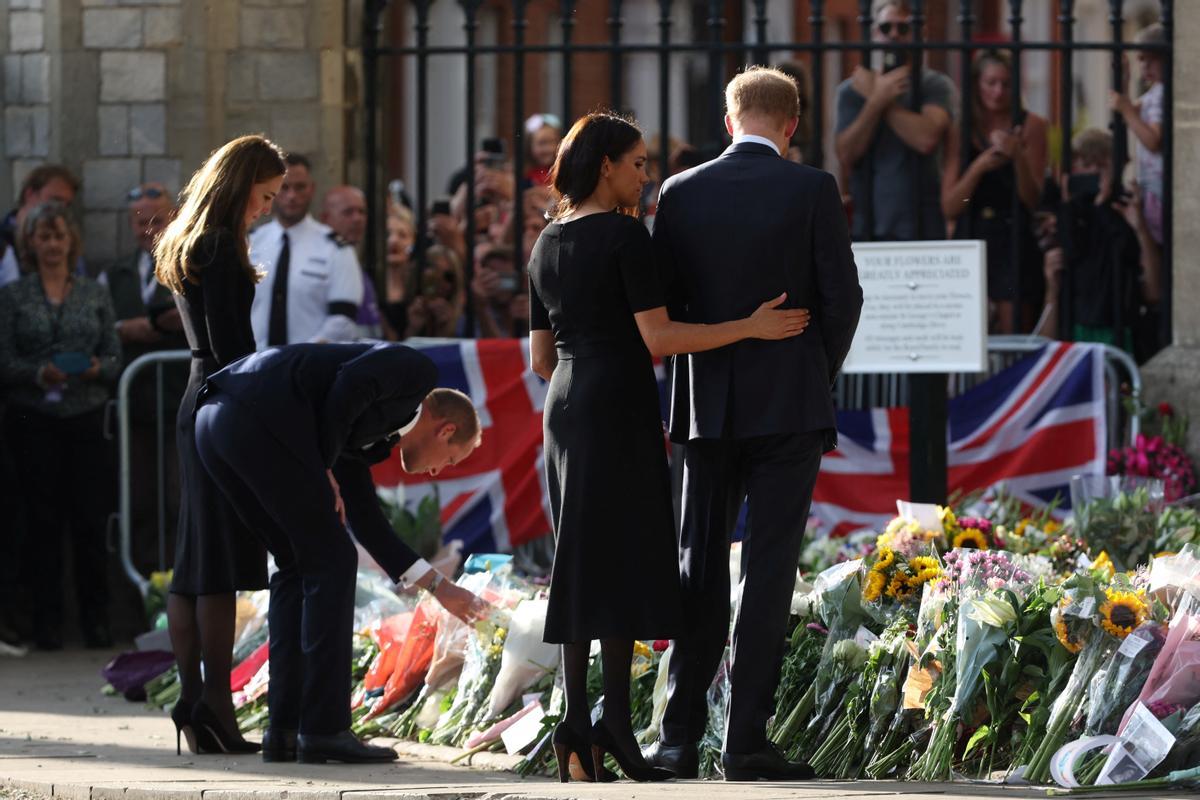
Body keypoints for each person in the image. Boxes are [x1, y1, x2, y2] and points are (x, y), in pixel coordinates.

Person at [527, 110, 813, 783]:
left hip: (565, 403)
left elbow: (541, 357)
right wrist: (750, 325)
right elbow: (660, 339)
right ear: (606, 166)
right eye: (636, 163)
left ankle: (578, 720)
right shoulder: (625, 238)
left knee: (579, 558)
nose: (644, 175)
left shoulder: (547, 241)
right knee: (622, 560)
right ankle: (618, 729)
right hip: (615, 405)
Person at [642, 67, 862, 781]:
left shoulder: (679, 191)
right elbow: (843, 297)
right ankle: (745, 742)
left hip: (704, 405)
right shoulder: (812, 189)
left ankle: (677, 737)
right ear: (792, 125)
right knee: (767, 573)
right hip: (789, 407)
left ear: (729, 120)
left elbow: (665, 303)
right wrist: (812, 369)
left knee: (695, 569)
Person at [192, 341, 490, 764]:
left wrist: (440, 589)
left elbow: (368, 523)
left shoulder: (369, 433)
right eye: (452, 458)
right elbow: (350, 382)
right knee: (332, 561)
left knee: (298, 563)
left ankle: (286, 729)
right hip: (252, 414)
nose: (439, 471)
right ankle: (325, 729)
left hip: (219, 422)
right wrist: (322, 467)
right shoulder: (414, 372)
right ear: (446, 430)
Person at [154, 134, 287, 755]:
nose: (266, 207)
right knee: (215, 568)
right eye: (265, 194)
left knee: (191, 564)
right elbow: (236, 350)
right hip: (223, 398)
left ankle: (194, 699)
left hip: (193, 394)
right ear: (241, 185)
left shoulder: (187, 240)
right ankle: (214, 705)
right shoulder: (222, 250)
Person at [0, 201, 122, 650]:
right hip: (34, 420)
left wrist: (94, 369)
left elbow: (114, 356)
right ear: (31, 243)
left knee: (90, 521)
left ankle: (98, 620)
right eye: (43, 237)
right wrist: (37, 374)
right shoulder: (13, 295)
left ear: (72, 242)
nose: (52, 245)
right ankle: (46, 622)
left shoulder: (94, 293)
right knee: (40, 523)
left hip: (85, 417)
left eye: (59, 236)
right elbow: (4, 358)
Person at [106, 182, 188, 576]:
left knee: (178, 499)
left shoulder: (187, 265)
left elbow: (177, 318)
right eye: (138, 221)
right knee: (138, 500)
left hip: (177, 402)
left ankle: (176, 586)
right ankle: (139, 598)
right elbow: (105, 326)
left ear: (173, 218)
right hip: (134, 407)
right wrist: (128, 328)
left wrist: (145, 326)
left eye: (155, 219)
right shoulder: (117, 273)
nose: (146, 229)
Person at [942, 50, 1048, 333]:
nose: (998, 91)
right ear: (977, 83)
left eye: (1005, 83)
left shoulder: (1032, 125)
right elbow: (950, 205)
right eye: (991, 82)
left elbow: (1033, 199)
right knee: (967, 329)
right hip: (973, 231)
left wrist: (1018, 157)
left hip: (1014, 234)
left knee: (1013, 327)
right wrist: (979, 166)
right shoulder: (962, 129)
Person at [834, 0, 955, 241]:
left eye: (903, 28)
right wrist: (875, 101)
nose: (894, 35)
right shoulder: (852, 90)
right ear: (874, 33)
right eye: (886, 27)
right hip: (868, 222)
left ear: (921, 33)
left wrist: (879, 99)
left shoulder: (935, 84)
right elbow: (846, 154)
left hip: (924, 223)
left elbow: (926, 139)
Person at [1044, 128, 1161, 359]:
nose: (1094, 173)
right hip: (1078, 324)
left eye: (1100, 165)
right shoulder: (1069, 213)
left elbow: (1129, 254)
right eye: (1085, 166)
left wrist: (1104, 208)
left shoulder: (1124, 209)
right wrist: (1068, 207)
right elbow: (1072, 252)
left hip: (1118, 325)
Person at [249, 153, 363, 348]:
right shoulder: (251, 243)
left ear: (312, 189)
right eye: (284, 188)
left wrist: (304, 356)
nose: (292, 196)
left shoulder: (335, 247)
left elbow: (343, 319)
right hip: (255, 364)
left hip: (312, 366)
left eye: (300, 187)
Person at [1110, 23, 1165, 245]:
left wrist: (1126, 109)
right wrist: (1123, 82)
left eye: (1152, 58)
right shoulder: (1155, 92)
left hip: (1160, 189)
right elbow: (1130, 113)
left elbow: (1153, 140)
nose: (1145, 65)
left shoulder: (1163, 93)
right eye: (1141, 59)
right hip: (1150, 187)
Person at [319, 185, 384, 338]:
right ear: (325, 219)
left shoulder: (360, 272)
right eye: (348, 212)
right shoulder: (320, 267)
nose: (358, 219)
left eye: (362, 212)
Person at [1, 165, 82, 287]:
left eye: (67, 205)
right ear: (30, 194)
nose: (60, 208)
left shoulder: (68, 243)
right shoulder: (2, 240)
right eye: (56, 200)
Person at [405, 244, 464, 339]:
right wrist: (413, 329)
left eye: (448, 277)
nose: (441, 283)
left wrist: (446, 330)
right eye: (435, 275)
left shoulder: (465, 320)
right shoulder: (404, 311)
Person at [471, 246, 528, 339]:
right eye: (492, 276)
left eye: (506, 277)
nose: (498, 283)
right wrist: (481, 308)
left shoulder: (529, 309)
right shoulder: (472, 312)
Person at [380, 201, 416, 340]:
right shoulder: (366, 282)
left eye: (402, 235)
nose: (393, 240)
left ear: (413, 241)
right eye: (387, 234)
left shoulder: (419, 284)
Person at [525, 113, 563, 187]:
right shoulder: (521, 176)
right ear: (529, 145)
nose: (549, 149)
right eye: (542, 143)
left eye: (553, 141)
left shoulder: (566, 173)